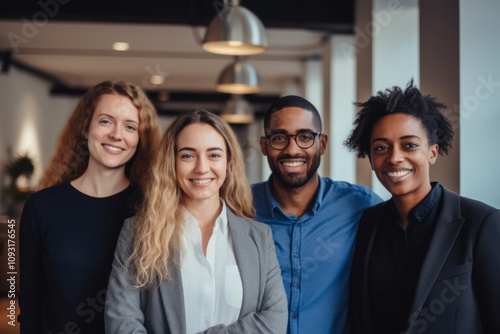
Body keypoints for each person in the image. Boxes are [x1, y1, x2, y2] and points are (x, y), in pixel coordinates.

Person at [104, 110, 288, 333]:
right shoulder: (137, 232)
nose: (201, 167)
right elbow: (122, 322)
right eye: (188, 156)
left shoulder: (259, 237)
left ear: (228, 163)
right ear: (171, 163)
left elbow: (274, 321)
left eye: (214, 155)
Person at [345, 80, 500, 334]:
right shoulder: (369, 223)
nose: (394, 157)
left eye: (409, 145)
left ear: (432, 153)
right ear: (371, 160)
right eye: (381, 148)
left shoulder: (482, 223)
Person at [19, 80, 162, 334]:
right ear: (85, 128)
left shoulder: (153, 209)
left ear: (140, 139)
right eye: (105, 121)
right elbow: (28, 300)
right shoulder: (42, 207)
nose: (116, 134)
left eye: (130, 126)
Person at [252, 95, 382, 334]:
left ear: (322, 144)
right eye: (279, 138)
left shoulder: (360, 205)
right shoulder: (238, 208)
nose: (292, 150)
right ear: (264, 145)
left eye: (305, 137)